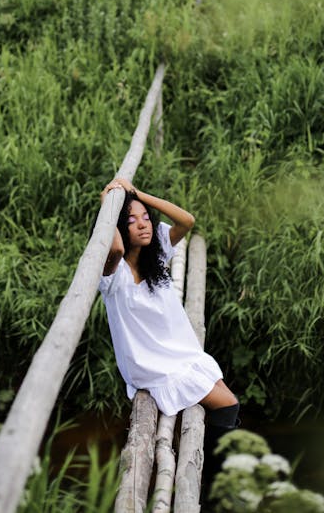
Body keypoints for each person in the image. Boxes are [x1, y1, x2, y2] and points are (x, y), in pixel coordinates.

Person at [98, 177, 239, 476]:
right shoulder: (113, 274)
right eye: (132, 221)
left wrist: (138, 195)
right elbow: (117, 249)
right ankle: (214, 475)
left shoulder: (157, 251)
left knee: (228, 404)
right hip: (149, 363)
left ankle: (216, 470)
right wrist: (107, 207)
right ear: (120, 228)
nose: (143, 225)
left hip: (176, 352)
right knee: (227, 404)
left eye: (146, 218)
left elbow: (187, 220)